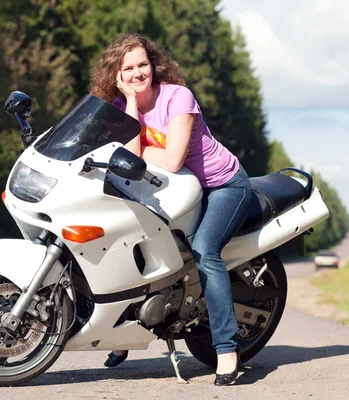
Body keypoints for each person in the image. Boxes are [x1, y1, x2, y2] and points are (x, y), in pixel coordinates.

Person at [89, 34, 253, 386]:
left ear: (154, 64)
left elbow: (173, 159)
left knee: (205, 251)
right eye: (128, 68)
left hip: (222, 185)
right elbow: (124, 159)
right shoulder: (120, 107)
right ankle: (122, 336)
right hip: (176, 193)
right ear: (116, 73)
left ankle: (226, 351)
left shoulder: (177, 97)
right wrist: (131, 104)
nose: (138, 73)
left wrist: (140, 153)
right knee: (125, 239)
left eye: (143, 65)